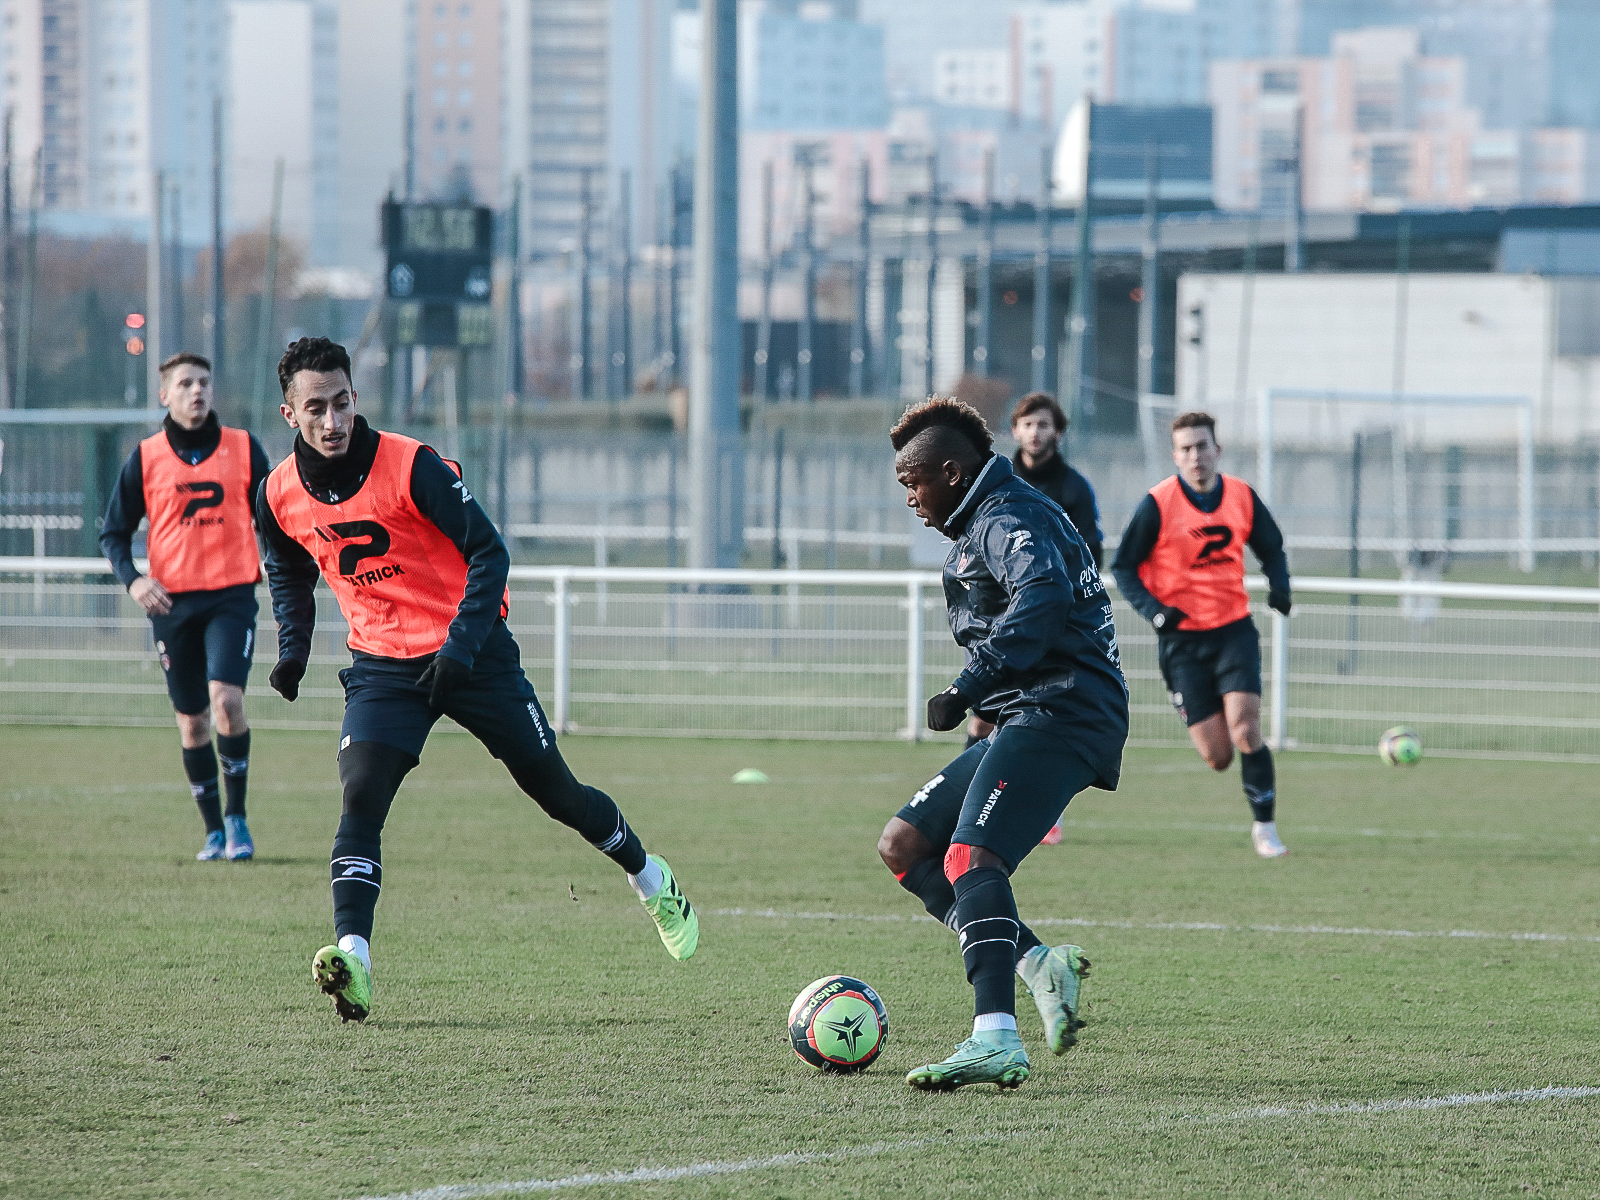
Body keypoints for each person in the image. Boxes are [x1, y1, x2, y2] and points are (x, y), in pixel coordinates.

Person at [255, 338, 697, 1024]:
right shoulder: (277, 492)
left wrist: (461, 648)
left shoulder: (412, 466)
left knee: (556, 793)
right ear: (290, 414)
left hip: (473, 651)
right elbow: (287, 568)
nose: (333, 420)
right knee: (361, 796)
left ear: (356, 397)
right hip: (382, 663)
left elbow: (490, 553)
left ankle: (651, 877)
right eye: (316, 409)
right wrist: (294, 648)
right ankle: (354, 961)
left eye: (342, 402)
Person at [876, 397, 1128, 1091]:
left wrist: (968, 686)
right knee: (905, 845)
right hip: (1034, 709)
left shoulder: (1005, 515)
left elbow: (1042, 594)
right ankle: (1037, 964)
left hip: (1064, 710)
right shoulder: (989, 514)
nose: (910, 499)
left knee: (970, 855)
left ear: (951, 474)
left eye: (913, 483)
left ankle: (995, 1037)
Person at [100, 352, 269, 862]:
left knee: (227, 702)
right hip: (171, 605)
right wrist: (134, 581)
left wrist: (276, 559)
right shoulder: (146, 457)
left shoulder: (243, 447)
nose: (197, 391)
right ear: (164, 395)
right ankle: (213, 831)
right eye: (185, 383)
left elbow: (276, 514)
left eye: (203, 382)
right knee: (193, 722)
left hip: (231, 596)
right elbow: (113, 533)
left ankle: (237, 820)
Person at [1110, 411, 1292, 859]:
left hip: (1233, 632)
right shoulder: (1158, 503)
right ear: (1175, 456)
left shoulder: (1241, 495)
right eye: (1186, 449)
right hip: (1181, 644)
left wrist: (1280, 585)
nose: (1196, 456)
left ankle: (1265, 828)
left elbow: (1271, 546)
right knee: (1219, 757)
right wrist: (1155, 612)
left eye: (1202, 446)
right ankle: (1216, 732)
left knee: (1246, 728)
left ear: (1217, 449)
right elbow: (1123, 567)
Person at [965, 391, 1106, 849]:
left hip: (1053, 620)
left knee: (1044, 716)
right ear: (1015, 430)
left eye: (1044, 424)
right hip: (1001, 620)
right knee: (983, 718)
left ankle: (1046, 813)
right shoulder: (998, 482)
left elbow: (1089, 552)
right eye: (1028, 424)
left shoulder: (1074, 488)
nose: (1035, 432)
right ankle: (965, 805)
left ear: (1058, 432)